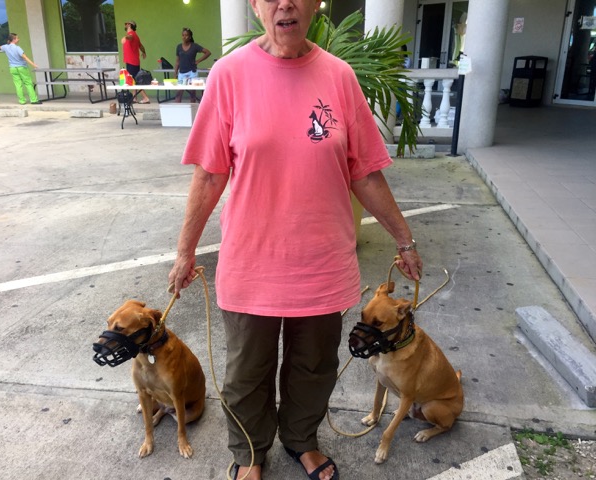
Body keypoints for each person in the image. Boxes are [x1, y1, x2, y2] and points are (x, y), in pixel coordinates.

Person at [167, 1, 422, 479]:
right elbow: (209, 174)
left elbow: (363, 171)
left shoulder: (339, 76)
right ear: (256, 6)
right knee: (247, 374)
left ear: (314, 5)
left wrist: (404, 240)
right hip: (251, 264)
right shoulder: (229, 74)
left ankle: (301, 439)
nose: (285, 4)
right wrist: (185, 252)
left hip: (321, 263)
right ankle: (249, 454)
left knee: (313, 368)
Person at [0, 34, 41, 105]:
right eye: (17, 38)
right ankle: (33, 100)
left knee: (18, 85)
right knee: (28, 83)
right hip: (22, 68)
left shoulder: (5, 47)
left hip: (13, 68)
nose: (18, 39)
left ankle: (22, 101)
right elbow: (24, 57)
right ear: (13, 40)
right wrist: (34, 65)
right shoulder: (17, 48)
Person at [174, 28, 211, 103]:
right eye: (183, 35)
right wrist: (175, 73)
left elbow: (208, 52)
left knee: (192, 94)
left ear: (190, 37)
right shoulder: (179, 47)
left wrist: (198, 61)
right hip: (181, 73)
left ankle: (193, 111)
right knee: (178, 93)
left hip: (192, 72)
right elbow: (177, 61)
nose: (184, 37)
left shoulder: (194, 46)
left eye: (186, 35)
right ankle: (177, 111)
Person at [121, 20, 150, 104]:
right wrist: (144, 52)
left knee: (135, 81)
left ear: (129, 25)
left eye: (125, 24)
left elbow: (130, 37)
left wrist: (125, 37)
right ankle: (134, 98)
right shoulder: (136, 35)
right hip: (133, 61)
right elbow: (141, 46)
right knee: (134, 79)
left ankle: (145, 98)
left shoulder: (131, 34)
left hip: (132, 62)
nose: (125, 25)